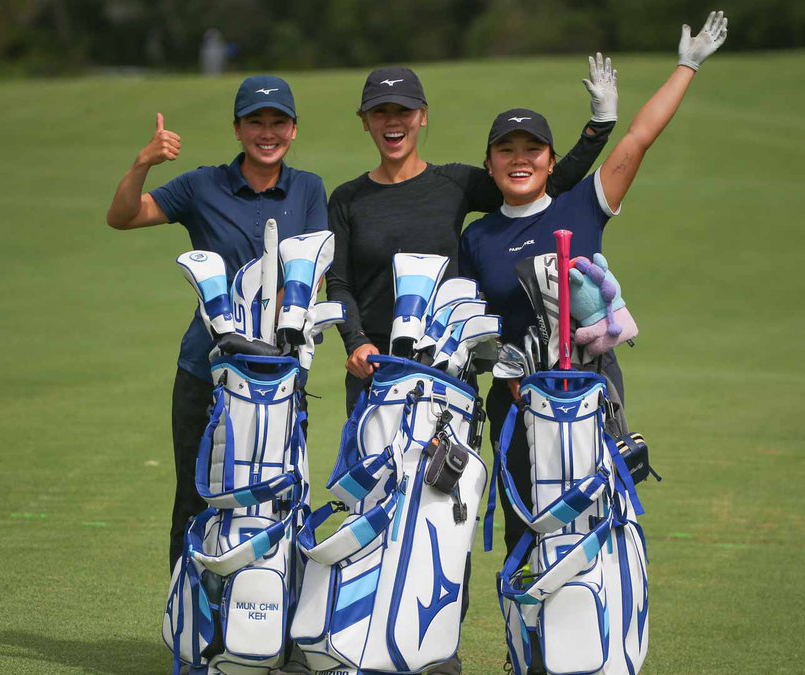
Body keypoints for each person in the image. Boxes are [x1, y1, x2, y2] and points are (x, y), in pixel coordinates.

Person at [459, 12, 728, 564]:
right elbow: (470, 326)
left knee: (591, 515)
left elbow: (640, 138)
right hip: (514, 399)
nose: (519, 159)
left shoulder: (580, 204)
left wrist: (686, 66)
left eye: (531, 149)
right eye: (506, 150)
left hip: (588, 388)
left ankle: (587, 636)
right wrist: (501, 363)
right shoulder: (478, 236)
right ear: (489, 164)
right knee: (522, 521)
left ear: (551, 160)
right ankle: (525, 644)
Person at [105, 76, 327, 573]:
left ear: (292, 130)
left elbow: (312, 272)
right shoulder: (202, 185)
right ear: (237, 129)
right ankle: (191, 628)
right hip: (205, 371)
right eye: (255, 122)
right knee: (197, 497)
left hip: (280, 376)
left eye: (277, 123)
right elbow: (123, 217)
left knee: (275, 498)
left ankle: (265, 631)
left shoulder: (309, 188)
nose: (266, 133)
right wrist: (143, 162)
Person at [326, 57, 621, 415]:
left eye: (403, 110)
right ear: (365, 121)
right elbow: (340, 284)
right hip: (372, 368)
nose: (392, 121)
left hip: (446, 367)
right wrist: (356, 343)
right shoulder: (347, 198)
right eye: (380, 112)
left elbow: (541, 181)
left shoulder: (455, 184)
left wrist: (597, 129)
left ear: (422, 115)